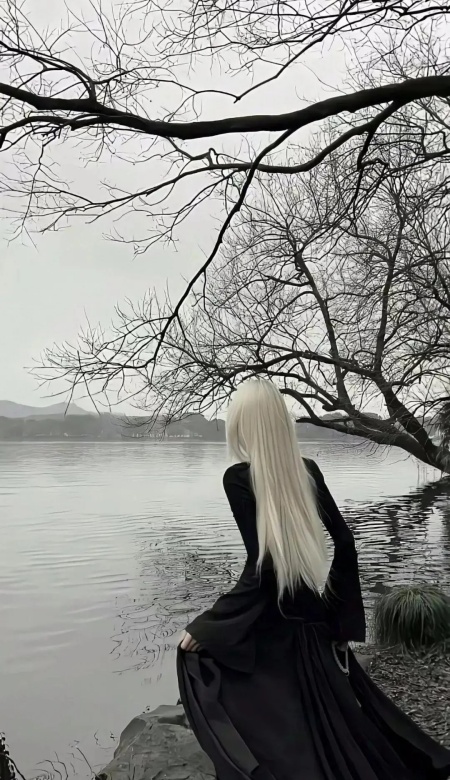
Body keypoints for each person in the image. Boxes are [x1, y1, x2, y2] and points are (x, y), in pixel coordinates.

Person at [177, 379, 450, 780]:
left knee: (194, 660)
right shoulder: (308, 470)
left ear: (243, 424)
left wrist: (211, 624)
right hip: (312, 619)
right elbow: (344, 541)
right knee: (335, 724)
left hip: (276, 623)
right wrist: (339, 622)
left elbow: (263, 566)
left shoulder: (238, 477)